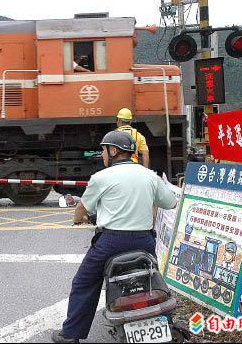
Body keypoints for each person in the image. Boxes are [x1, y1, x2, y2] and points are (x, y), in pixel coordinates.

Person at [51, 131, 178, 343]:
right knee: (151, 276)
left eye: (103, 150)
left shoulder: (101, 177)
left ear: (114, 151)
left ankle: (71, 334)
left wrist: (78, 219)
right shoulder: (149, 176)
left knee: (84, 283)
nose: (102, 154)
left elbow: (83, 206)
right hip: (144, 241)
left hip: (110, 243)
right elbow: (170, 202)